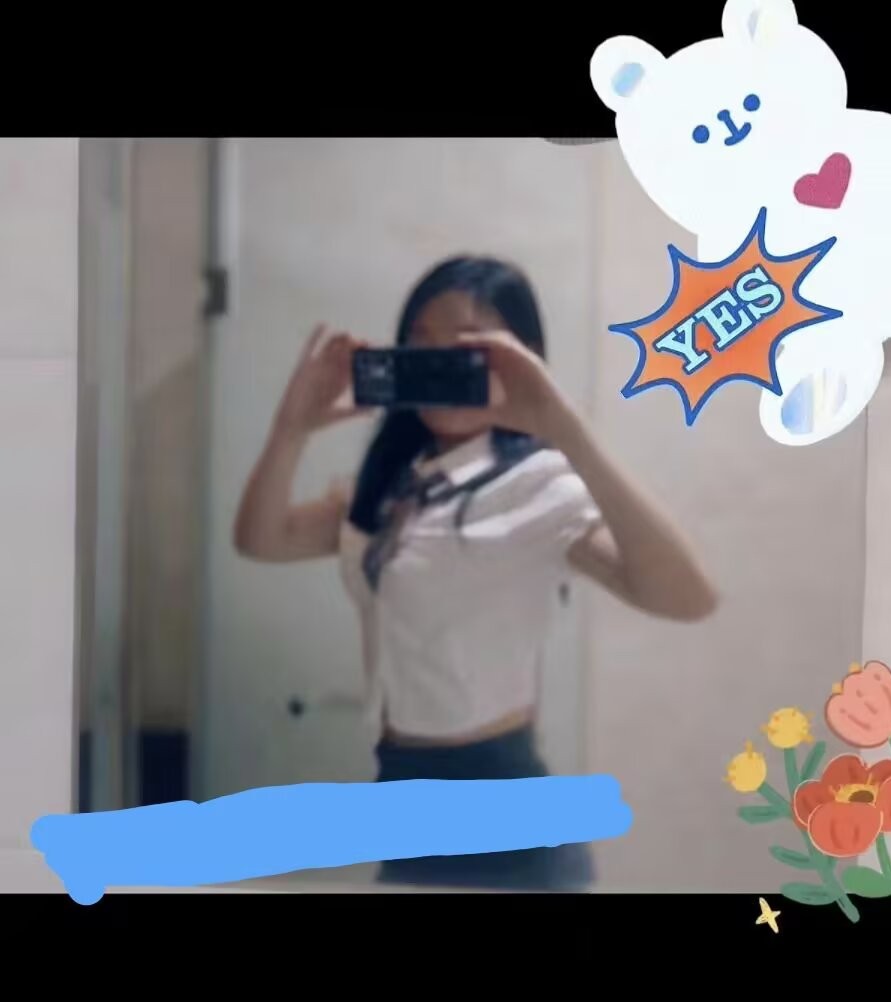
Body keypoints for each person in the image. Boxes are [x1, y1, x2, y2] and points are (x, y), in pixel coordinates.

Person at [233, 255, 719, 890]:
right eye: (421, 345)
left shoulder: (539, 487)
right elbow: (262, 539)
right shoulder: (390, 489)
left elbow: (687, 598)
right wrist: (291, 427)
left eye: (467, 349)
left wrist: (565, 428)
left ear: (521, 360)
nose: (440, 363)